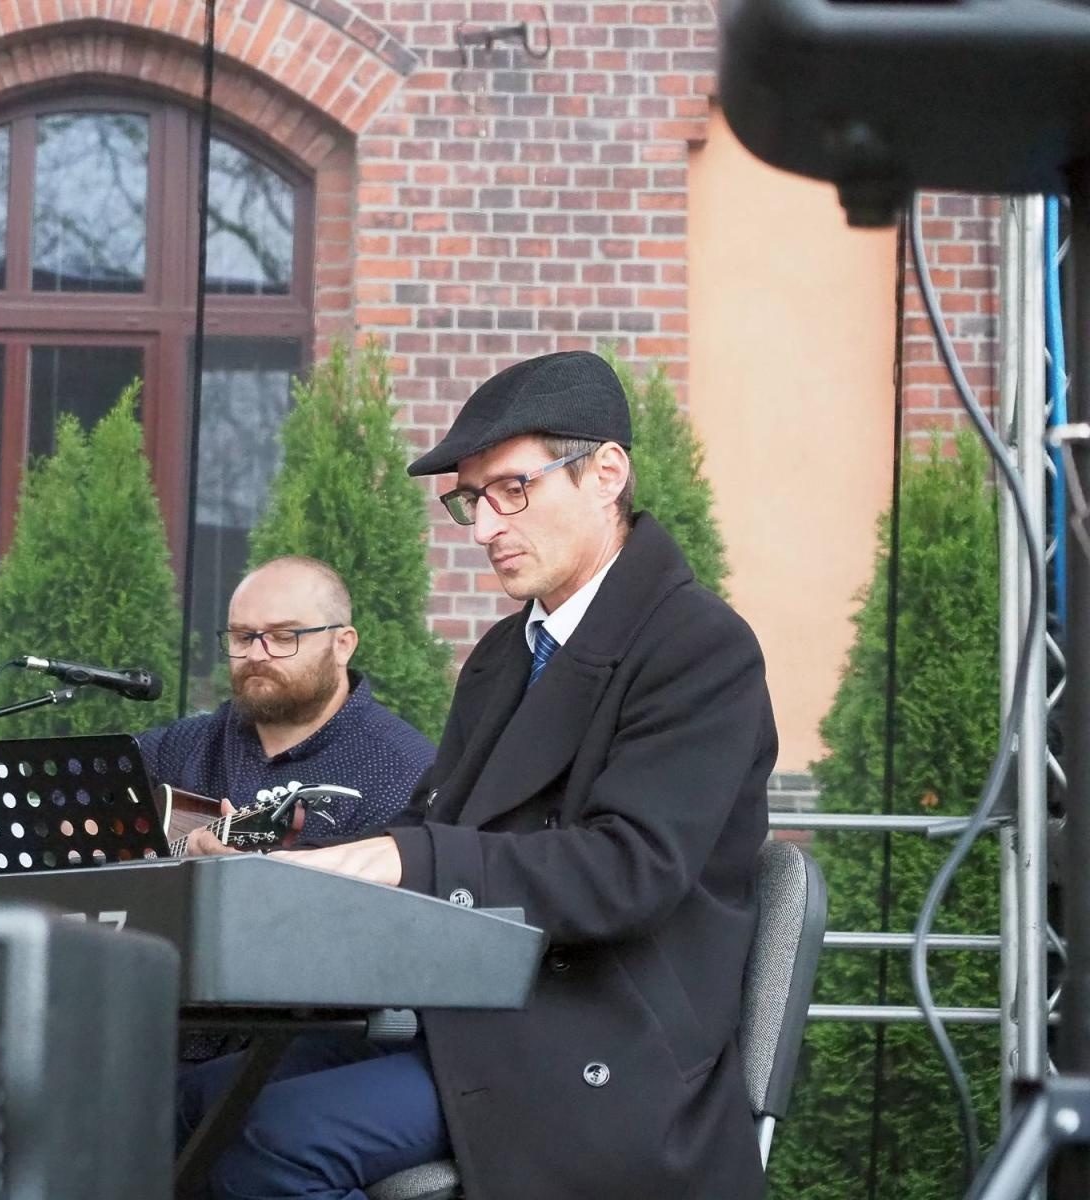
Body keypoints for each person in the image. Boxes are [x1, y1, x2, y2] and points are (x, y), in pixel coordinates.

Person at [179, 350, 777, 1200]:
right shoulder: (506, 653)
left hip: (603, 1041)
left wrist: (405, 858)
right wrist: (283, 871)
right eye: (471, 499)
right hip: (471, 1010)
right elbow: (442, 833)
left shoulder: (698, 646)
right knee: (190, 1102)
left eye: (512, 489)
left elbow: (627, 871)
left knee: (272, 1145)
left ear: (607, 474)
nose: (486, 524)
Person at [137, 555, 435, 846]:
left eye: (282, 636)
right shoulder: (188, 746)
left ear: (342, 645)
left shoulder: (403, 774)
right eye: (242, 637)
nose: (255, 655)